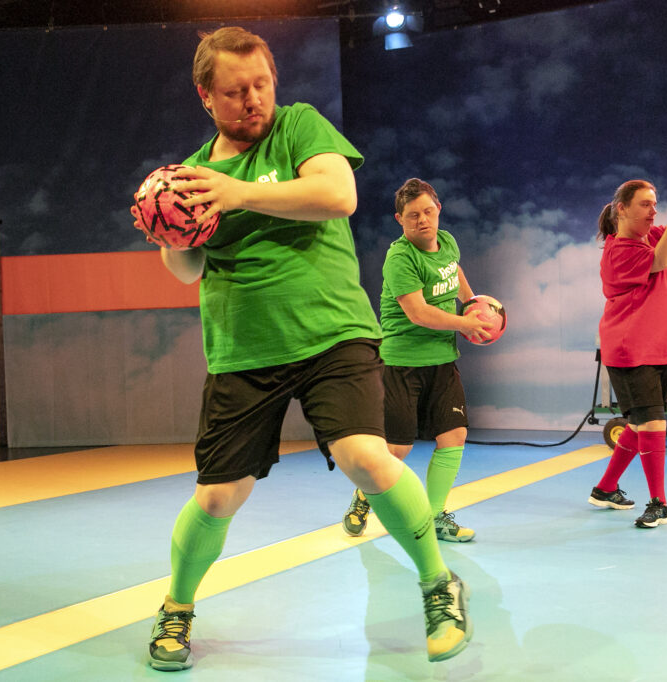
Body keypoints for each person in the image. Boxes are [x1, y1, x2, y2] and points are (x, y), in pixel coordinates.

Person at [135, 27, 472, 670]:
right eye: (236, 92)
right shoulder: (193, 174)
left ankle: (438, 584)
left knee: (367, 459)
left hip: (331, 332)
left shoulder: (299, 128)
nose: (254, 99)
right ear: (206, 96)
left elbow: (337, 194)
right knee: (216, 497)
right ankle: (176, 609)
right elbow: (186, 271)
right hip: (242, 346)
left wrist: (239, 193)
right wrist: (170, 232)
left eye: (261, 83)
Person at [341, 178, 495, 544]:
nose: (422, 220)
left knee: (454, 436)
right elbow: (418, 313)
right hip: (401, 364)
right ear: (400, 219)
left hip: (442, 360)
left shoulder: (448, 242)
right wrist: (465, 323)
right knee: (397, 450)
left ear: (438, 209)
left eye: (428, 211)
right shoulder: (400, 258)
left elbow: (453, 272)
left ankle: (436, 515)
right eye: (413, 216)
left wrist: (475, 306)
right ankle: (364, 495)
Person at [589, 177, 667, 528]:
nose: (653, 210)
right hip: (632, 349)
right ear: (622, 209)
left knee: (639, 421)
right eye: (645, 204)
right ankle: (658, 503)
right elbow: (659, 262)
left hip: (658, 347)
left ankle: (604, 488)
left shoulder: (660, 234)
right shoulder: (620, 252)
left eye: (656, 204)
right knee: (652, 422)